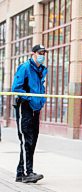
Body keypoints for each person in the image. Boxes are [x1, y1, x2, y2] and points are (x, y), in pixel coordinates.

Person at [11, 44, 48, 183]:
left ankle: (21, 173)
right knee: (26, 140)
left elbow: (41, 87)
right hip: (25, 107)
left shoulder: (41, 70)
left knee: (33, 140)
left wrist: (42, 99)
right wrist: (30, 97)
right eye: (40, 52)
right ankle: (28, 172)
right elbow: (16, 88)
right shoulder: (25, 67)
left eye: (44, 53)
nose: (42, 55)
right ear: (33, 53)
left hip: (35, 109)